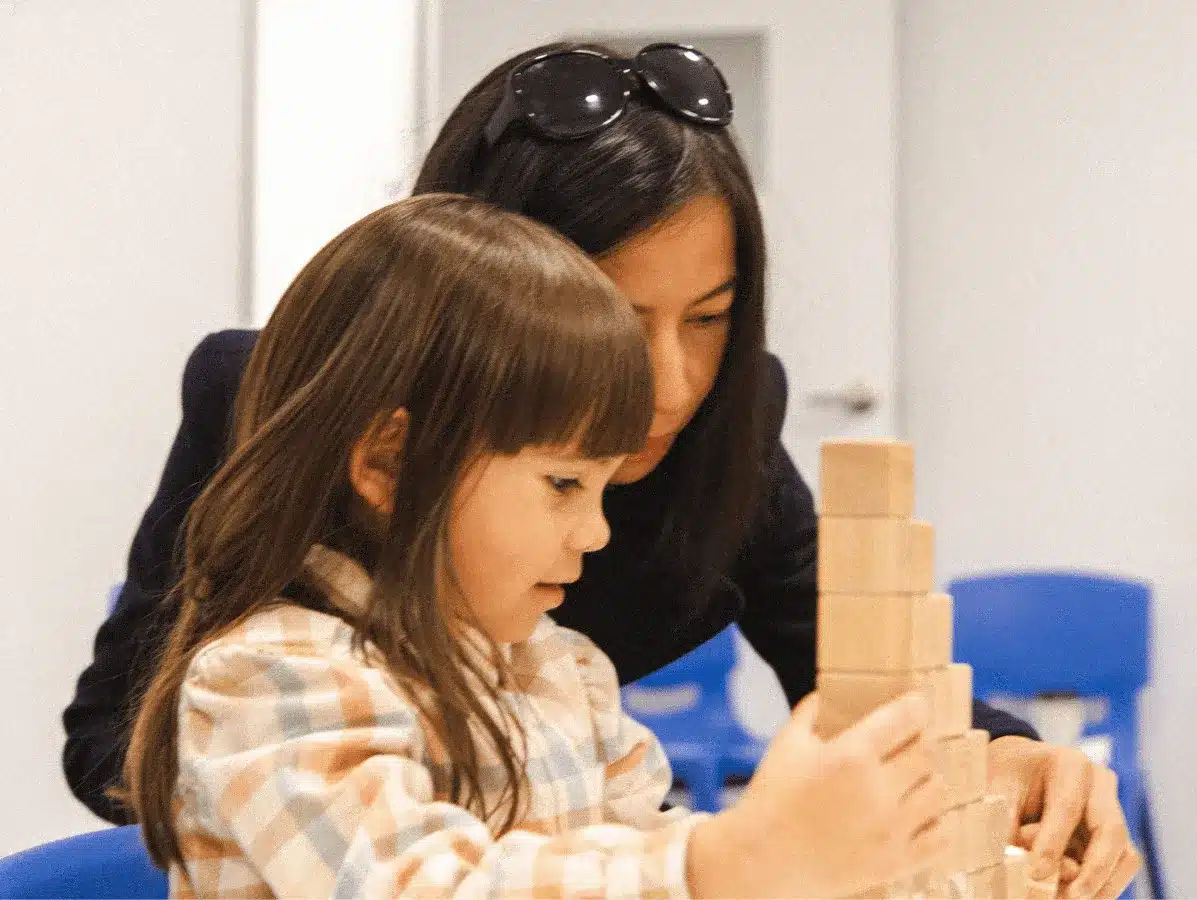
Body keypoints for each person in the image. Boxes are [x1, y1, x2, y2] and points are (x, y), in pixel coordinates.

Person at [67, 41, 1139, 897]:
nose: (669, 389)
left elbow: (833, 680)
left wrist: (984, 780)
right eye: (617, 324)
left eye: (711, 318)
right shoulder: (278, 671)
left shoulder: (561, 668)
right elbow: (416, 875)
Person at [123, 192, 951, 898]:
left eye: (601, 489)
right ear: (390, 463)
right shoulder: (276, 682)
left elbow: (642, 857)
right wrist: (726, 863)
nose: (596, 532)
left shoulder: (563, 669)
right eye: (563, 486)